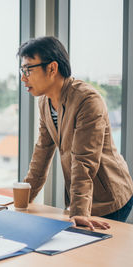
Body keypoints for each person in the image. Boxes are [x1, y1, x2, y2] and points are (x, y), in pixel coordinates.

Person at [18, 36, 133, 230]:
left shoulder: (87, 100)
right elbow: (42, 152)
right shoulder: (44, 102)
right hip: (81, 198)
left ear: (52, 68)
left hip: (109, 197)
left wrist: (79, 212)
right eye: (22, 70)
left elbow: (84, 161)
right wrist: (22, 200)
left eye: (28, 69)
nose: (23, 77)